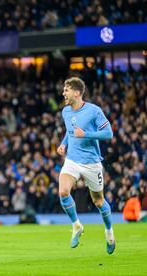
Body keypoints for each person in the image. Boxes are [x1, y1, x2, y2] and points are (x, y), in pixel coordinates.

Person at [57, 77, 115, 254]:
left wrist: (87, 134)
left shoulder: (93, 111)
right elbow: (70, 131)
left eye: (66, 90)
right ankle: (76, 226)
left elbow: (109, 133)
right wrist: (63, 143)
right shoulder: (66, 112)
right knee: (63, 191)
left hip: (91, 163)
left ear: (77, 92)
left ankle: (109, 231)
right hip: (72, 160)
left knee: (98, 201)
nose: (63, 93)